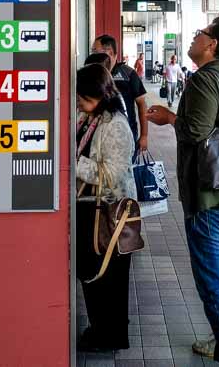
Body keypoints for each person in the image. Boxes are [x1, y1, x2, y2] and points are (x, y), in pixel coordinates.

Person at [147, 17, 219, 367]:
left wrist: (169, 118)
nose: (195, 37)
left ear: (212, 45)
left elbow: (196, 131)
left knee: (214, 286)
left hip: (211, 197)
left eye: (201, 34)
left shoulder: (205, 80)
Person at [75, 63, 137, 352]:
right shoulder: (87, 119)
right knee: (92, 272)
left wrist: (73, 163)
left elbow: (113, 174)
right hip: (90, 208)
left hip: (112, 212)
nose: (79, 102)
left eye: (84, 97)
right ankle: (98, 328)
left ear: (99, 95)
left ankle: (110, 335)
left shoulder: (115, 125)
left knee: (110, 277)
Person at [92, 35, 149, 152]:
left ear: (110, 52)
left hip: (126, 136)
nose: (92, 55)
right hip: (98, 135)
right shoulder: (94, 73)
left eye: (95, 51)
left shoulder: (128, 74)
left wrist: (144, 136)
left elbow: (142, 104)